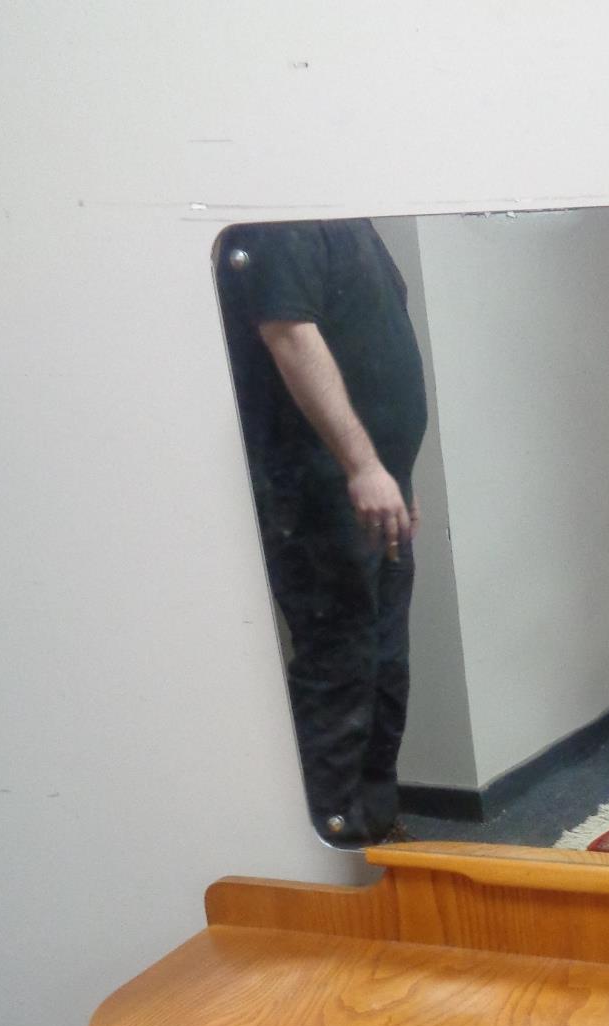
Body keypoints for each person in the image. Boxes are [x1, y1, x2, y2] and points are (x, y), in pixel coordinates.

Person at [217, 219, 429, 845]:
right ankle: (335, 849)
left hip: (373, 491)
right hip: (317, 490)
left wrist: (396, 475)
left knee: (386, 665)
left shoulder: (349, 219)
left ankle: (377, 829)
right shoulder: (283, 222)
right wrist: (363, 466)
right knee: (341, 668)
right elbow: (287, 333)